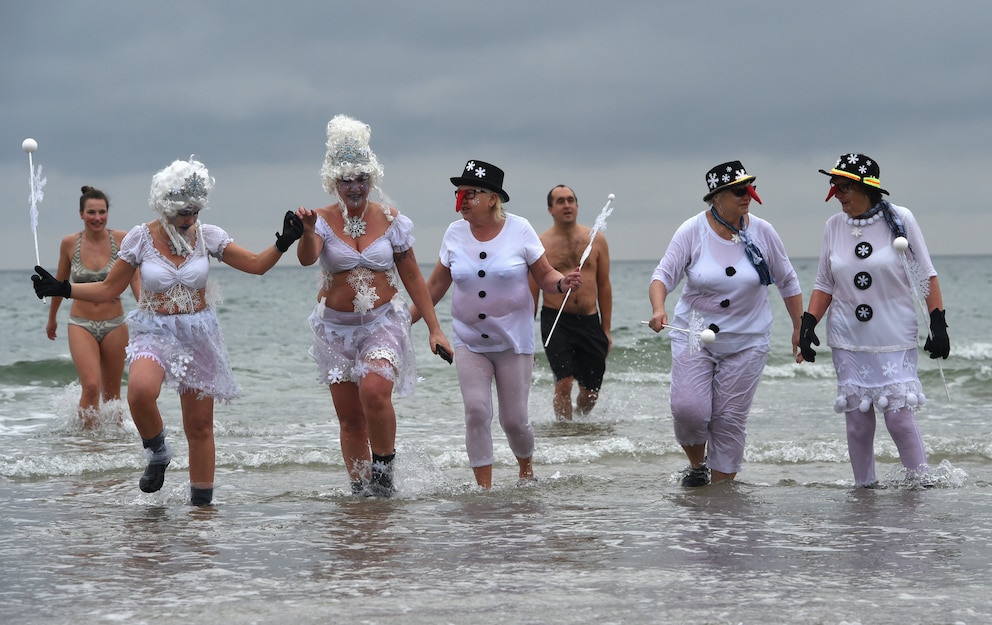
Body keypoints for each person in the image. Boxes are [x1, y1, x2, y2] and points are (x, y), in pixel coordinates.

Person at [33, 157, 304, 506]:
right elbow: (109, 289)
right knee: (140, 393)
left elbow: (255, 265)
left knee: (200, 426)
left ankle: (201, 508)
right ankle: (158, 452)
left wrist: (284, 243)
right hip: (154, 329)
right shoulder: (140, 239)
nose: (188, 218)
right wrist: (63, 289)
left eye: (193, 209)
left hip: (198, 333)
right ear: (164, 206)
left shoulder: (209, 236)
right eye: (181, 211)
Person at [294, 114, 452, 498]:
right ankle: (359, 490)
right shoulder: (322, 221)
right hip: (335, 330)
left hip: (382, 321)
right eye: (347, 179)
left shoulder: (392, 220)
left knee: (375, 391)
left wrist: (434, 328)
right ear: (334, 181)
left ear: (372, 179)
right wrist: (305, 232)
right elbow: (306, 257)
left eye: (361, 178)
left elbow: (413, 276)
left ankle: (383, 475)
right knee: (350, 419)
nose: (355, 186)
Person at [411, 159, 584, 489]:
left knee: (514, 421)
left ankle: (526, 471)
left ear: (492, 198)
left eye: (470, 193)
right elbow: (434, 286)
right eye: (459, 193)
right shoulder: (453, 232)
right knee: (476, 412)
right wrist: (402, 322)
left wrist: (563, 283)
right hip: (469, 340)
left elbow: (546, 276)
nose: (462, 200)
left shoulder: (520, 229)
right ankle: (483, 490)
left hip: (512, 341)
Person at [648, 160, 803, 487]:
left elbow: (788, 281)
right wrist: (658, 308)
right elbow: (662, 276)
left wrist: (799, 328)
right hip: (694, 333)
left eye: (749, 188)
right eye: (737, 191)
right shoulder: (692, 230)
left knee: (728, 420)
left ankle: (720, 496)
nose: (746, 195)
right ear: (716, 197)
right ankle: (696, 465)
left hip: (748, 339)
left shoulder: (764, 232)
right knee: (690, 410)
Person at [798, 153, 948, 488]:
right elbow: (825, 282)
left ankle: (920, 486)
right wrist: (808, 325)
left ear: (867, 188)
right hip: (848, 338)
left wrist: (939, 324)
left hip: (894, 334)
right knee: (857, 424)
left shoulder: (901, 218)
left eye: (844, 187)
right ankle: (864, 491)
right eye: (835, 187)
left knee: (898, 419)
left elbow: (927, 275)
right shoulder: (833, 226)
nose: (838, 194)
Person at [45, 185, 140, 427]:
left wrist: (147, 313)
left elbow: (135, 280)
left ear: (107, 213)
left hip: (115, 324)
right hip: (81, 323)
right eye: (91, 212)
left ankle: (114, 451)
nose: (97, 218)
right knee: (91, 386)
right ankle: (87, 446)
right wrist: (52, 317)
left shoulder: (122, 239)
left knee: (113, 394)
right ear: (81, 214)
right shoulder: (69, 243)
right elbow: (60, 282)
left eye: (102, 212)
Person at [530, 184, 612, 420]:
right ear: (550, 209)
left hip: (589, 319)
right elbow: (532, 292)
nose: (566, 205)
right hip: (556, 318)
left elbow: (604, 285)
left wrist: (606, 330)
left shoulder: (597, 240)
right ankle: (565, 433)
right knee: (563, 383)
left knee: (590, 393)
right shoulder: (540, 244)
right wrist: (527, 335)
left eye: (570, 200)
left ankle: (580, 424)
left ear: (577, 205)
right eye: (560, 201)